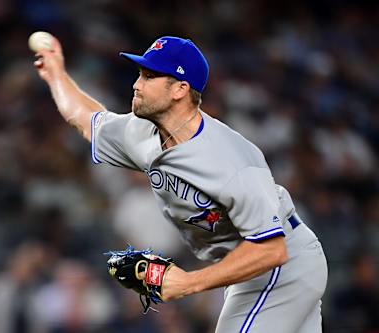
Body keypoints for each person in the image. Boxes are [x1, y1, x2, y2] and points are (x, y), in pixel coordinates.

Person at [33, 35, 328, 332]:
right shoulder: (141, 133)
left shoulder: (232, 160)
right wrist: (56, 73)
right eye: (140, 74)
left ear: (180, 89)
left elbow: (272, 250)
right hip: (248, 266)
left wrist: (188, 282)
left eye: (149, 76)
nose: (137, 84)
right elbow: (86, 119)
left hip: (281, 266)